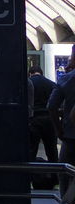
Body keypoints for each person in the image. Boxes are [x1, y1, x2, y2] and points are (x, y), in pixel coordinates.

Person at [47, 64, 75, 193]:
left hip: (70, 137)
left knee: (64, 173)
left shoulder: (66, 79)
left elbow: (52, 106)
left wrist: (59, 130)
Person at [29, 66, 59, 163]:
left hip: (33, 119)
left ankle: (30, 176)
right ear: (41, 73)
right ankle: (55, 175)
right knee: (52, 151)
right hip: (49, 119)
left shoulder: (28, 83)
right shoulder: (51, 84)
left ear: (30, 73)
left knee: (31, 150)